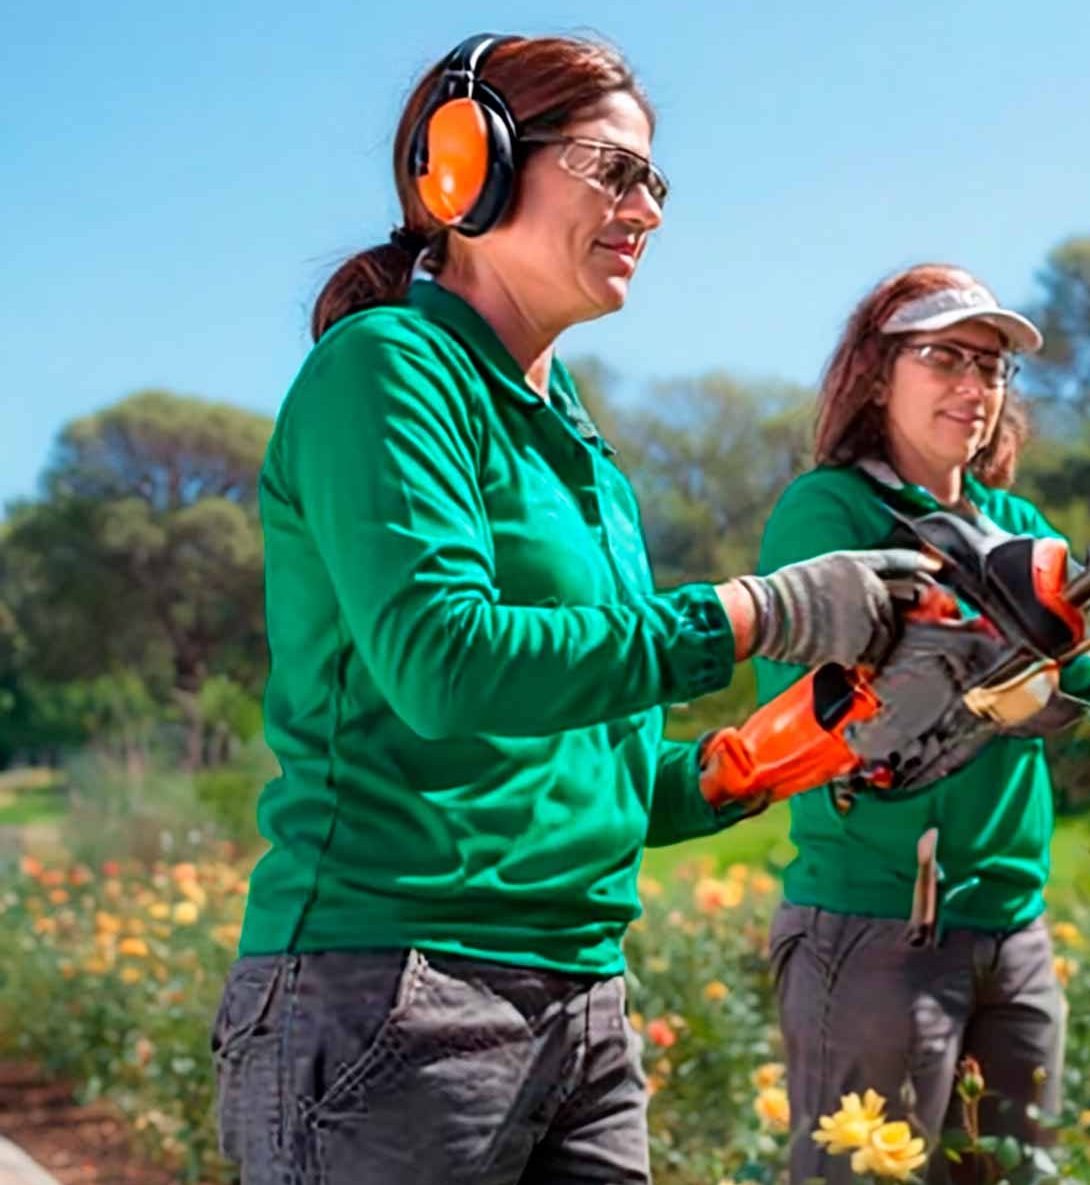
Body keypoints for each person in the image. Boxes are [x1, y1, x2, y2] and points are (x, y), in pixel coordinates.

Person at [209, 33, 927, 1185]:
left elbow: (592, 768)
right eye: (613, 169)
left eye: (654, 182)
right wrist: (758, 613)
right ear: (467, 168)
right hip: (391, 991)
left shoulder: (585, 454)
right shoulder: (387, 371)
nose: (645, 208)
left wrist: (791, 752)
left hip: (584, 1004)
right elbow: (445, 665)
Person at [755, 265, 1090, 1184]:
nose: (974, 387)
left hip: (1015, 928)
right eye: (945, 358)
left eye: (992, 368)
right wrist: (975, 637)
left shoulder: (1020, 526)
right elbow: (805, 679)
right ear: (879, 373)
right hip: (878, 929)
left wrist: (1055, 667)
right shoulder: (830, 509)